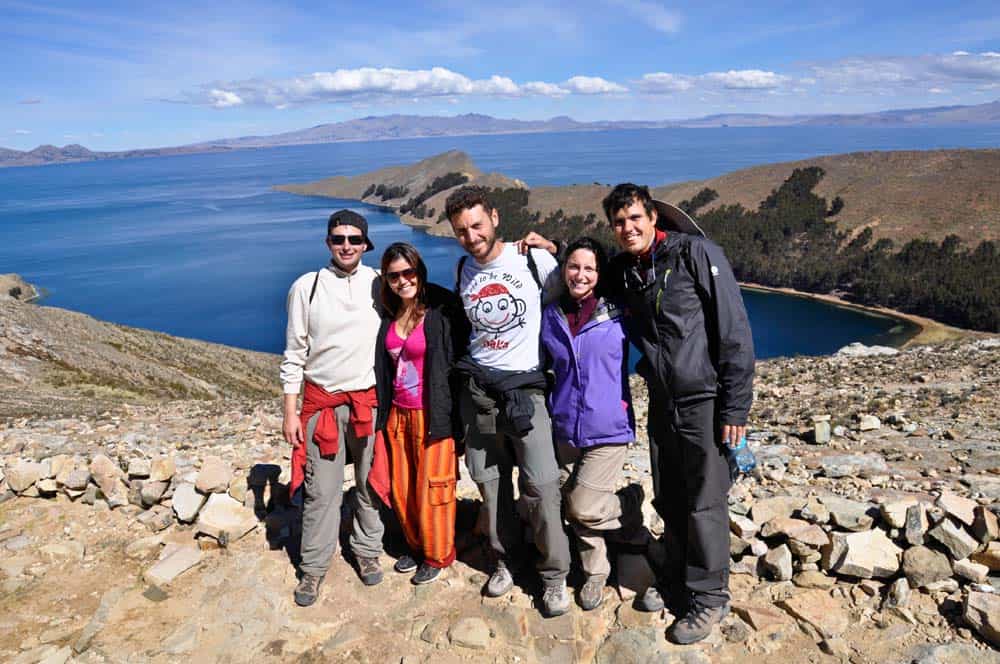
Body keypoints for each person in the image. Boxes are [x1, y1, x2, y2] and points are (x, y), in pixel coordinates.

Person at [603, 183, 755, 644]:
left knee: (704, 500)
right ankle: (678, 574)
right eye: (619, 222)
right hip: (662, 400)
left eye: (635, 218)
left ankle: (708, 597)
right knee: (669, 494)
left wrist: (735, 406)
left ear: (653, 217)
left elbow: (734, 331)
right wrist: (549, 250)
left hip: (704, 401)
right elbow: (584, 275)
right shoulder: (627, 271)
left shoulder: (696, 254)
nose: (628, 228)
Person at [445, 185, 573, 617]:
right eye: (461, 230)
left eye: (477, 225)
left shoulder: (532, 260)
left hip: (526, 392)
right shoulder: (463, 268)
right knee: (490, 482)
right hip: (479, 394)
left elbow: (577, 289)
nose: (471, 236)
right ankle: (506, 560)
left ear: (495, 218)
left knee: (542, 485)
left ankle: (554, 575)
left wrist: (557, 248)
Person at [280, 209, 386, 607]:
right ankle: (313, 567)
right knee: (321, 492)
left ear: (366, 244)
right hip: (322, 405)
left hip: (368, 403)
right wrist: (290, 412)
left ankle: (367, 549)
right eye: (339, 239)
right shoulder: (307, 287)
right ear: (328, 242)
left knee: (369, 484)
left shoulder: (380, 283)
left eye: (354, 239)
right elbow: (294, 353)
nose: (346, 246)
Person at [538, 236, 646, 611]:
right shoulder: (550, 315)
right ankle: (596, 572)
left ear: (600, 274)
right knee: (572, 502)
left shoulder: (618, 311)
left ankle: (629, 505)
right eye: (574, 266)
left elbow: (657, 343)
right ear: (564, 269)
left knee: (583, 506)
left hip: (608, 426)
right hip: (565, 425)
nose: (580, 275)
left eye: (589, 268)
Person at [373, 242, 468, 585]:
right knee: (403, 487)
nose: (403, 281)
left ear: (419, 271)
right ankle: (415, 545)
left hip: (433, 415)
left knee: (434, 488)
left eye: (408, 272)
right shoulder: (389, 313)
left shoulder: (440, 309)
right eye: (394, 276)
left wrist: (459, 418)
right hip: (398, 414)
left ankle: (437, 554)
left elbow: (460, 357)